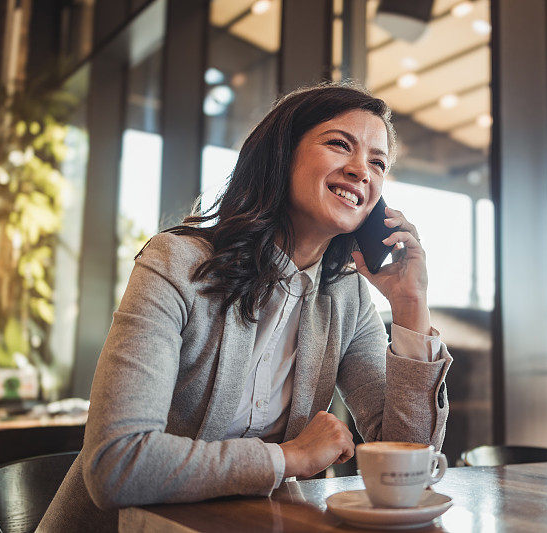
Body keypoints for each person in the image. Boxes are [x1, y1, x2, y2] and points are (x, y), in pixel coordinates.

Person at [38, 82, 452, 531]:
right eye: (339, 144)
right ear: (281, 154)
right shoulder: (176, 264)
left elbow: (406, 461)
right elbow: (116, 464)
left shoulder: (345, 295)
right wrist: (288, 457)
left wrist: (411, 306)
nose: (361, 171)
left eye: (378, 162)